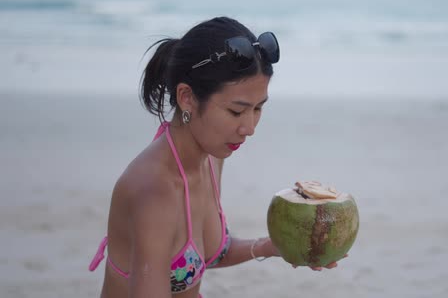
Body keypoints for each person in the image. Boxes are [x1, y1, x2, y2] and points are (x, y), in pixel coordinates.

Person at [88, 16, 341, 298]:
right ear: (187, 98)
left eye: (258, 108)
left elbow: (209, 253)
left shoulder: (211, 155)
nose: (249, 128)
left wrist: (275, 247)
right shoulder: (154, 192)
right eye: (236, 111)